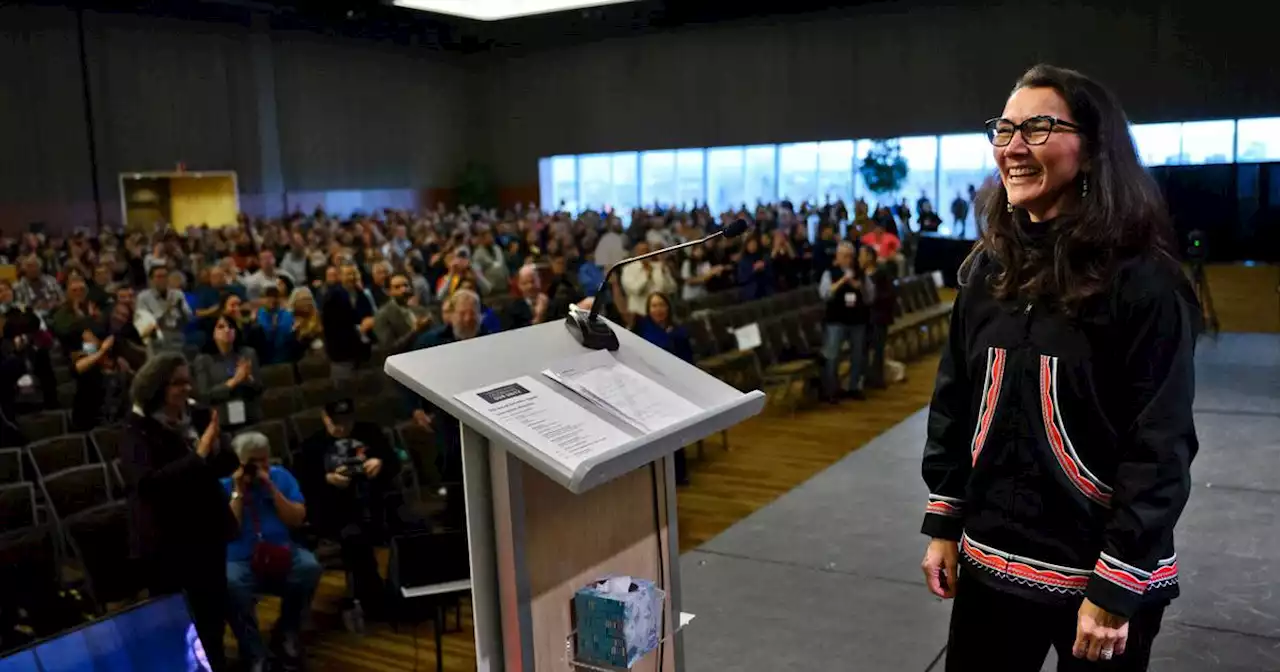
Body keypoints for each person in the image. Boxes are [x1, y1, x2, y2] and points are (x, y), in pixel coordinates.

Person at [920, 64, 1200, 672]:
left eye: (1039, 127)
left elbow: (1161, 444)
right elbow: (955, 402)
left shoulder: (1145, 283)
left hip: (1099, 575)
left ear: (1095, 148)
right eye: (1004, 128)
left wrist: (1117, 584)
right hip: (989, 559)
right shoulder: (985, 272)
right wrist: (944, 520)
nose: (1013, 147)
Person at [118, 353, 239, 671]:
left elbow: (229, 463)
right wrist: (199, 456)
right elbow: (149, 486)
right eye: (178, 383)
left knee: (213, 616)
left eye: (188, 381)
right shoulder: (137, 430)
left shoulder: (198, 414)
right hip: (169, 542)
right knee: (181, 624)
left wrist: (216, 451)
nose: (187, 388)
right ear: (157, 388)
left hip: (207, 532)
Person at [222, 432, 320, 671]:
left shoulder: (281, 476)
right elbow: (227, 530)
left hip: (280, 550)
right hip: (239, 557)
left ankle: (287, 631)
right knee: (230, 583)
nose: (260, 467)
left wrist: (273, 490)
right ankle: (254, 651)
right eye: (252, 462)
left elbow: (297, 518)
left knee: (309, 567)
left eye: (264, 460)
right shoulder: (223, 485)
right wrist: (238, 493)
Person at [295, 398, 400, 617]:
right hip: (335, 510)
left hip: (377, 502)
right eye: (336, 422)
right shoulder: (312, 446)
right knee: (355, 537)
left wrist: (380, 463)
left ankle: (402, 586)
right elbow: (303, 484)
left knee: (413, 525)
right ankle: (374, 600)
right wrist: (328, 479)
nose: (342, 427)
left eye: (347, 421)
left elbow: (394, 462)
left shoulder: (370, 433)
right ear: (325, 418)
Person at [632, 292, 694, 486]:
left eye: (661, 305)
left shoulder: (679, 331)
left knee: (675, 431)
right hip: (651, 388)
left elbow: (688, 360)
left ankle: (679, 473)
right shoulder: (643, 332)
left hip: (676, 386)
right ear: (648, 310)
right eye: (654, 306)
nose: (658, 310)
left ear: (668, 308)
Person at [817, 242, 869, 402]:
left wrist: (858, 286)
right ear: (838, 257)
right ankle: (831, 389)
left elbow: (870, 296)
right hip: (836, 319)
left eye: (849, 256)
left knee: (857, 354)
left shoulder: (860, 274)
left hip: (856, 319)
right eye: (843, 256)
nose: (847, 259)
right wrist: (842, 281)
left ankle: (854, 386)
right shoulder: (829, 273)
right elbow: (825, 293)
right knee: (832, 355)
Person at [193, 315, 262, 431]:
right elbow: (205, 395)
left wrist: (249, 379)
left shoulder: (248, 353)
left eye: (230, 327)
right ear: (212, 334)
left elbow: (259, 388)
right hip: (221, 420)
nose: (227, 330)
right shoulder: (203, 360)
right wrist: (234, 381)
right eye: (221, 327)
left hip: (250, 415)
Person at [322, 262, 376, 382]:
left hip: (362, 351)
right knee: (344, 390)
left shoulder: (362, 295)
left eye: (353, 274)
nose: (351, 278)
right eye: (348, 274)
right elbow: (332, 327)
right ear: (340, 276)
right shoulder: (332, 297)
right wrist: (358, 329)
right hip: (341, 353)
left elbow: (369, 316)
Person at [861, 246, 895, 390]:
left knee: (878, 349)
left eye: (862, 255)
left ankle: (877, 378)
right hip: (863, 318)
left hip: (879, 317)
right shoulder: (860, 274)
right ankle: (866, 376)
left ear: (869, 257)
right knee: (864, 348)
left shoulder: (882, 274)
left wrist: (873, 298)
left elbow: (889, 294)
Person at [374, 272, 432, 355]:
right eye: (397, 287)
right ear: (388, 291)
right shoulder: (382, 315)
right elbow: (389, 349)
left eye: (406, 285)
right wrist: (415, 331)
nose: (403, 290)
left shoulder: (419, 309)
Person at [619, 241, 678, 317]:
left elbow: (672, 288)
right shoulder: (628, 269)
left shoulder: (659, 266)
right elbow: (635, 290)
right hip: (639, 314)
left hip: (660, 314)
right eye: (642, 251)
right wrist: (646, 276)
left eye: (647, 250)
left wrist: (664, 274)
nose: (645, 253)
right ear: (636, 253)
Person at [503, 265, 549, 330]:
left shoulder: (551, 303)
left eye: (533, 281)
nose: (530, 286)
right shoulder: (512, 309)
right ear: (519, 285)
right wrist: (538, 317)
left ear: (539, 281)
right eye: (525, 283)